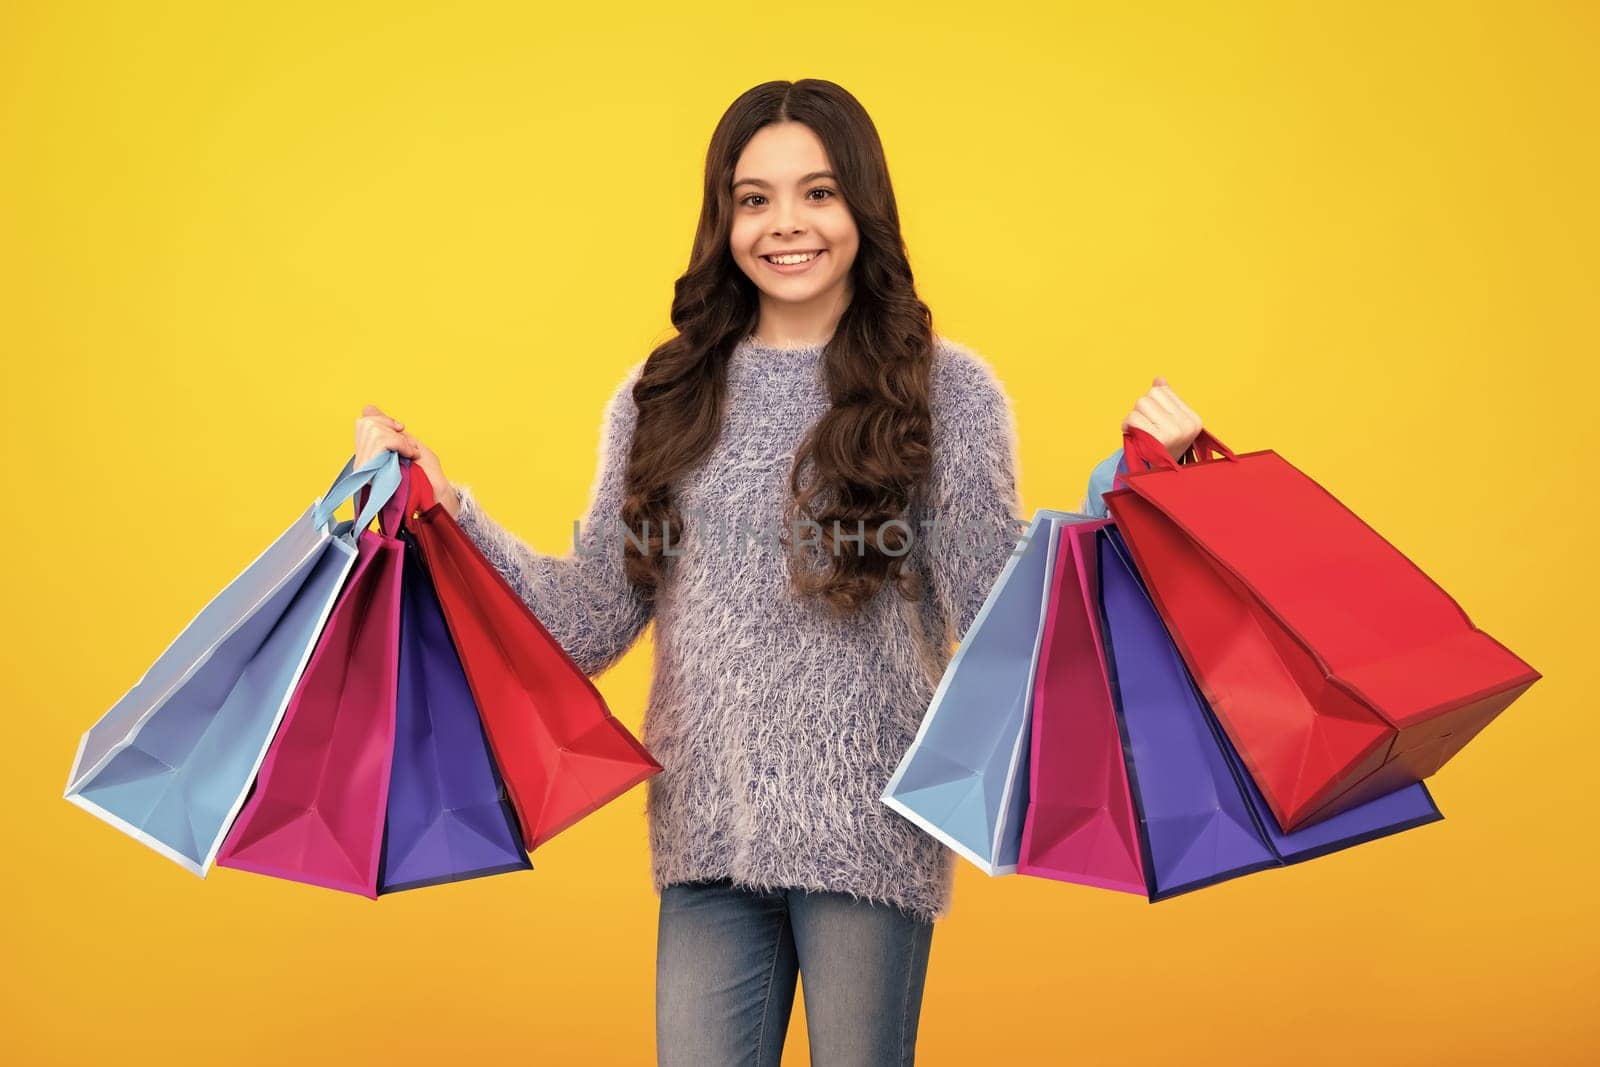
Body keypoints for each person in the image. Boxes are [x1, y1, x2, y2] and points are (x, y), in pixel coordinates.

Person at [352, 79, 1203, 1067]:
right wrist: (453, 514)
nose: (785, 224)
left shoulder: (944, 389)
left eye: (818, 193)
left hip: (869, 835)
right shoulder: (661, 394)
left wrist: (1136, 501)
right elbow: (585, 617)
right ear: (724, 217)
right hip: (707, 833)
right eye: (754, 198)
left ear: (862, 211)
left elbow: (996, 603)